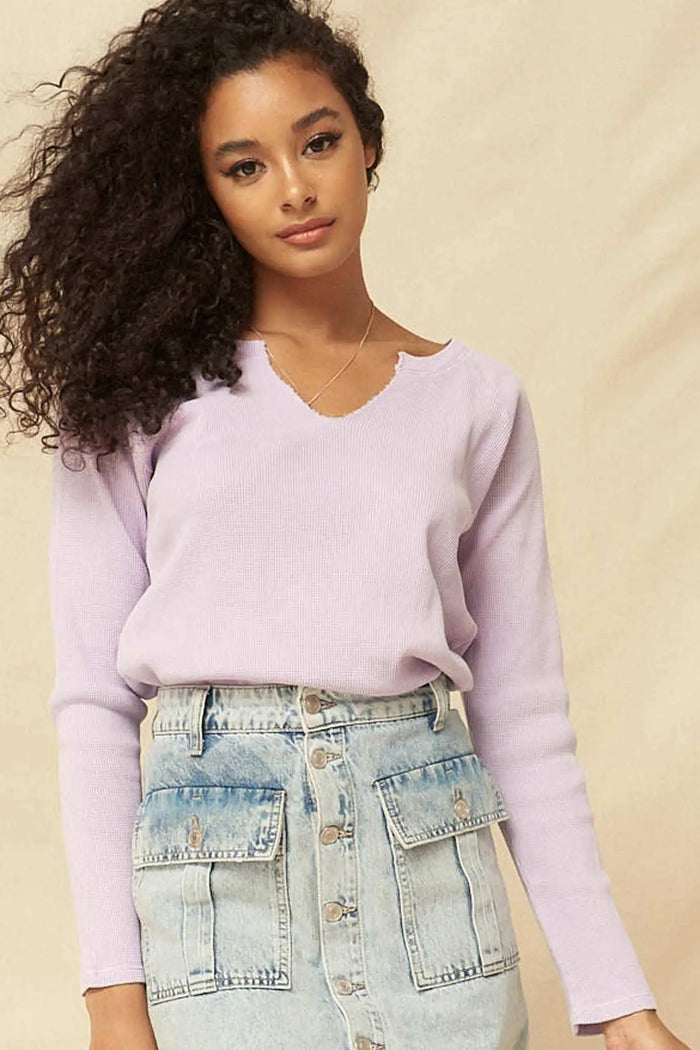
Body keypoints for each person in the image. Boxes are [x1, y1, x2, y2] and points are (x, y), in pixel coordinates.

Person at [0, 2, 690, 1049]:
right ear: (202, 191)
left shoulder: (475, 402)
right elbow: (94, 704)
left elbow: (521, 713)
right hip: (222, 912)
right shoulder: (136, 395)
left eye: (317, 142)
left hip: (437, 902)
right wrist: (113, 1001)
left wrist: (615, 1000)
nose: (294, 187)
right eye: (245, 166)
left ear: (366, 140)